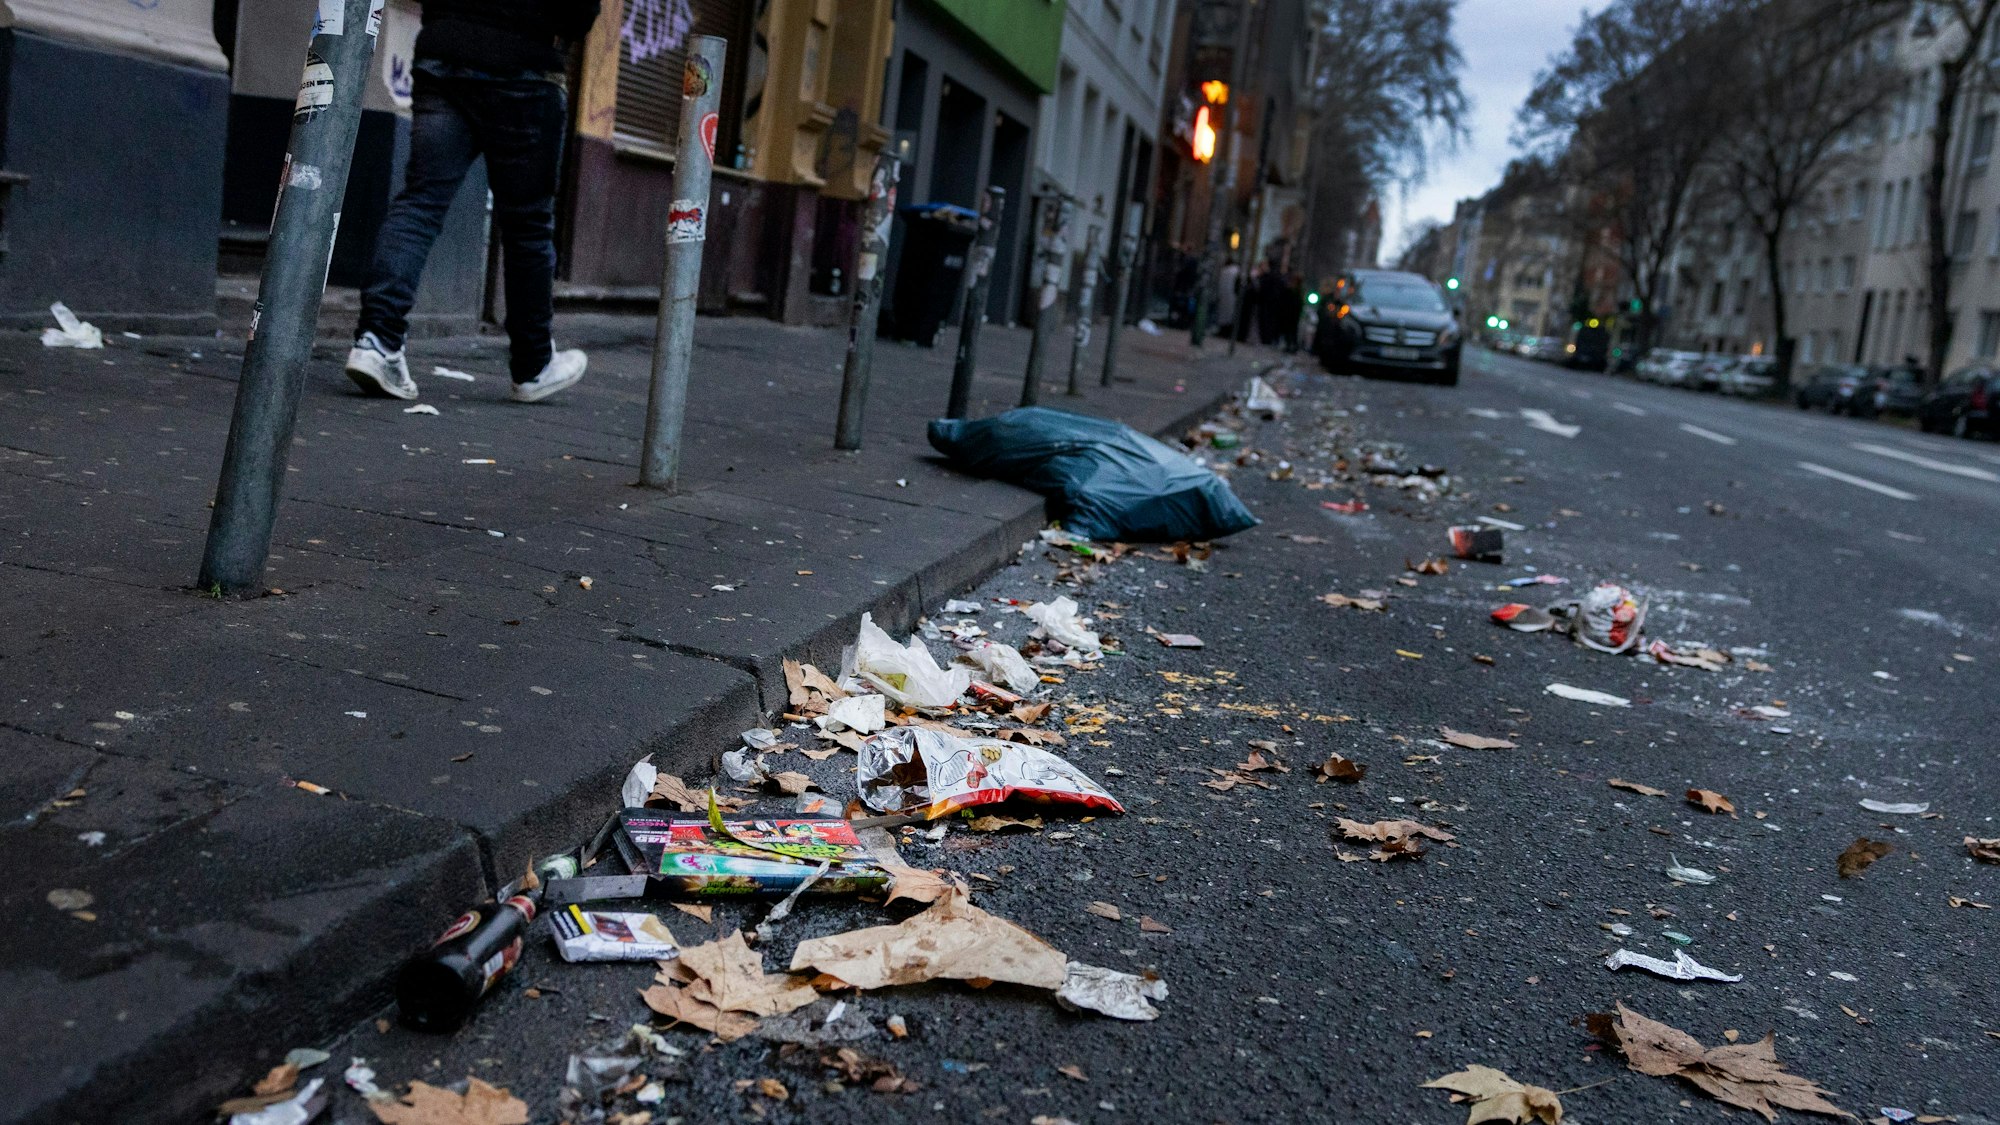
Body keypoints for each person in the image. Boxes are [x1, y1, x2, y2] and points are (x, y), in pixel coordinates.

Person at [346, 0, 601, 404]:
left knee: (420, 202)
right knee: (528, 225)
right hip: (524, 68)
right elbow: (581, 12)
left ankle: (377, 341)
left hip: (445, 56)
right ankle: (533, 364)